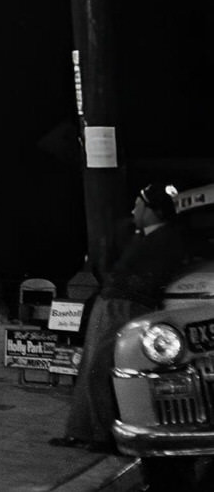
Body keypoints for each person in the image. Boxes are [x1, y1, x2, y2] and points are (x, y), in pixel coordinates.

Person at [54, 183, 188, 452]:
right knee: (92, 366)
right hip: (114, 303)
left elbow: (139, 275)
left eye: (139, 205)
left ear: (152, 211)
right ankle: (83, 430)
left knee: (101, 368)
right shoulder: (142, 236)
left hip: (125, 307)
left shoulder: (163, 239)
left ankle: (99, 434)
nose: (133, 209)